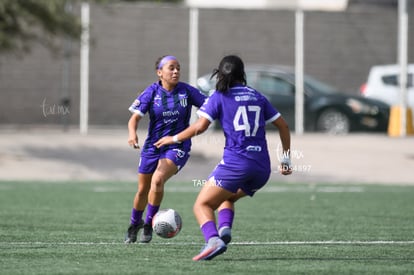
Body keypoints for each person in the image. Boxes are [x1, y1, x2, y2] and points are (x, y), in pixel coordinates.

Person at [154, 55, 292, 261]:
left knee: (202, 205)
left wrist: (172, 138)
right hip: (262, 168)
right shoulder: (257, 95)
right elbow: (283, 126)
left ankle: (213, 240)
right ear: (242, 74)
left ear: (219, 74)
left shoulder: (219, 96)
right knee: (226, 197)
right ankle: (225, 229)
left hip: (236, 164)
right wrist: (286, 160)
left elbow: (200, 127)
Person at [124, 55, 207, 244]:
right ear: (159, 72)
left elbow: (211, 106)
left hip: (178, 146)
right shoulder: (151, 92)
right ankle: (134, 224)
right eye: (171, 68)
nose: (176, 71)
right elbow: (134, 118)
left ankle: (148, 224)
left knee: (158, 179)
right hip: (152, 147)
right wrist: (132, 134)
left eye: (178, 68)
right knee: (142, 190)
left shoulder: (186, 91)